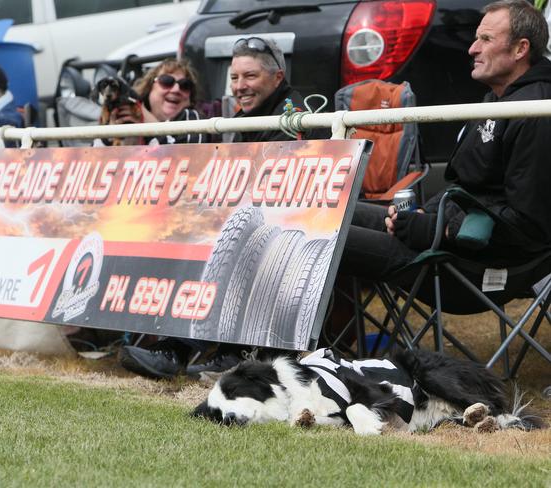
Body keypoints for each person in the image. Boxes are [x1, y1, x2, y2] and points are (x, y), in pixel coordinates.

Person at [119, 38, 327, 381]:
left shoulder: (297, 114)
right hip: (254, 222)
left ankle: (221, 352)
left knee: (229, 236)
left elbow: (292, 194)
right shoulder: (246, 116)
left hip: (300, 234)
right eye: (234, 78)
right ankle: (175, 347)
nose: (240, 87)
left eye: (250, 76)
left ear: (277, 78)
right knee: (190, 227)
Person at [338, 0, 551, 283]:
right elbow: (466, 184)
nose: (472, 48)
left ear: (520, 49)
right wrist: (426, 212)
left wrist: (436, 229)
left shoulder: (536, 110)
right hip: (450, 235)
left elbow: (528, 226)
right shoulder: (498, 99)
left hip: (482, 262)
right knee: (328, 216)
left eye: (485, 39)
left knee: (319, 241)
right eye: (476, 38)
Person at [99, 57, 204, 145]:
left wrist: (144, 118)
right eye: (166, 81)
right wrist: (110, 135)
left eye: (185, 85)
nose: (176, 89)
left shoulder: (192, 119)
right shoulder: (125, 112)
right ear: (149, 88)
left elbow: (187, 159)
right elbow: (92, 159)